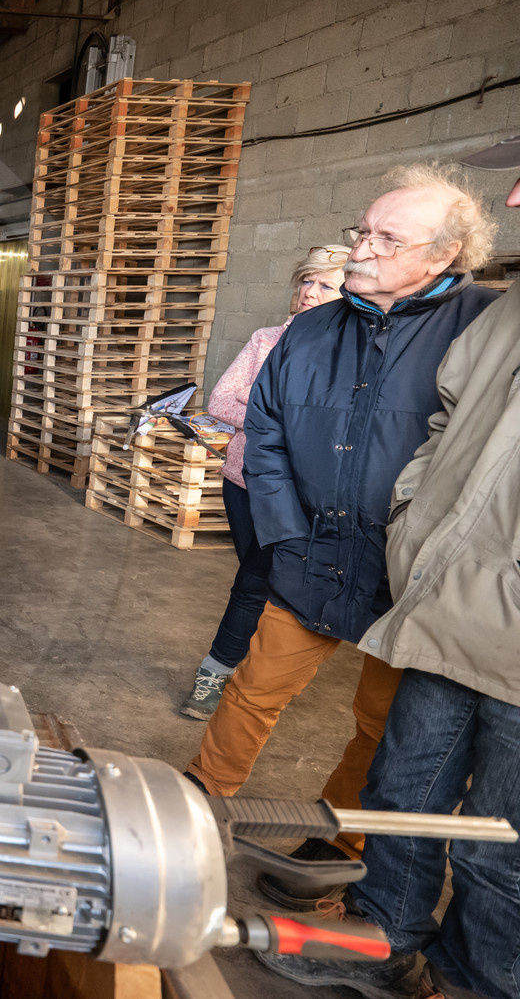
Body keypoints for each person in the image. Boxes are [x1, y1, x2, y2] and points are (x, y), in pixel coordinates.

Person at [183, 164, 498, 907]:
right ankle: (199, 805)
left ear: (442, 254)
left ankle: (340, 838)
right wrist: (287, 535)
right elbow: (263, 432)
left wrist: (428, 550)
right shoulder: (311, 330)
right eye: (362, 230)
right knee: (254, 688)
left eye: (388, 238)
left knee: (384, 723)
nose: (362, 247)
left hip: (409, 575)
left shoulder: (484, 327)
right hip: (310, 556)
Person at [258, 140, 520, 999]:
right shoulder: (507, 319)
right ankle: (385, 942)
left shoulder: (478, 308)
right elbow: (446, 430)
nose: (513, 199)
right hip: (445, 604)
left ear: (443, 256)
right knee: (403, 795)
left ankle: (477, 981)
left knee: (500, 850)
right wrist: (413, 526)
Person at [178, 248, 347, 720]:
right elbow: (220, 400)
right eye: (306, 282)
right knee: (260, 576)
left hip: (306, 490)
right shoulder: (266, 340)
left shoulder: (349, 356)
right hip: (245, 480)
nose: (310, 292)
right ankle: (239, 671)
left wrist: (269, 416)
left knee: (257, 579)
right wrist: (284, 420)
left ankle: (218, 670)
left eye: (325, 285)